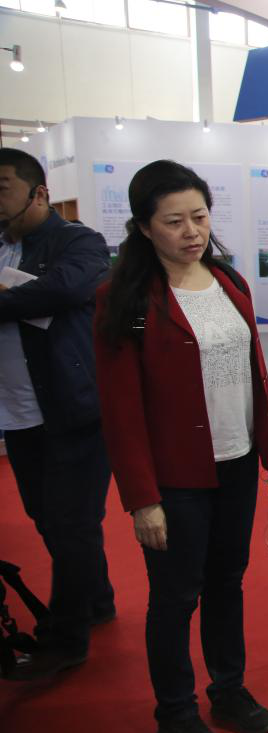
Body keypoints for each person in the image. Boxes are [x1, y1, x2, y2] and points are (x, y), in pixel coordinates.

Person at [93, 160, 268, 733]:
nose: (191, 232)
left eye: (199, 217)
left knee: (227, 582)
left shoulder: (229, 281)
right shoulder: (125, 297)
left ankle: (227, 690)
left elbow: (255, 374)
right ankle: (175, 714)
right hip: (175, 476)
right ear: (143, 227)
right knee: (176, 596)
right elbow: (120, 410)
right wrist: (142, 499)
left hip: (236, 462)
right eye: (173, 221)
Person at [0, 148, 115, 681]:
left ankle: (65, 639)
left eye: (3, 187)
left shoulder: (78, 240)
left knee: (72, 524)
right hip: (19, 412)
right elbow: (43, 298)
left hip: (73, 408)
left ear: (39, 192)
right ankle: (96, 598)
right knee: (48, 518)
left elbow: (66, 288)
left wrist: (17, 296)